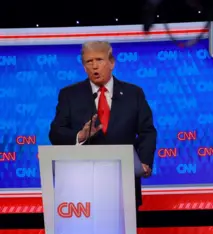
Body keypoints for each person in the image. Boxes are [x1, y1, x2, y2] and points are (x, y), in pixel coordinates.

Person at [49, 41, 157, 209]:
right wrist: (80, 136)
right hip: (81, 189)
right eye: (88, 62)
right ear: (84, 67)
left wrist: (144, 163)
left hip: (124, 184)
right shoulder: (69, 95)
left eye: (99, 60)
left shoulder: (133, 93)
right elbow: (55, 133)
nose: (94, 66)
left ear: (111, 63)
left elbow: (147, 131)